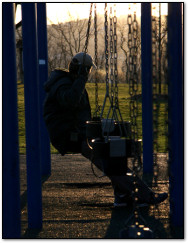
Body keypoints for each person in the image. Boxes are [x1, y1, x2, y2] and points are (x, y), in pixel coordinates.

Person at [43, 52, 168, 207]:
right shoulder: (63, 84)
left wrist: (94, 123)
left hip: (77, 133)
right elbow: (70, 101)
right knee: (109, 162)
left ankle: (122, 195)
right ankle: (145, 196)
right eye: (88, 70)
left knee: (114, 156)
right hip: (71, 136)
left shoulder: (68, 82)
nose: (88, 74)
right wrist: (81, 79)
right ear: (83, 70)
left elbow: (73, 111)